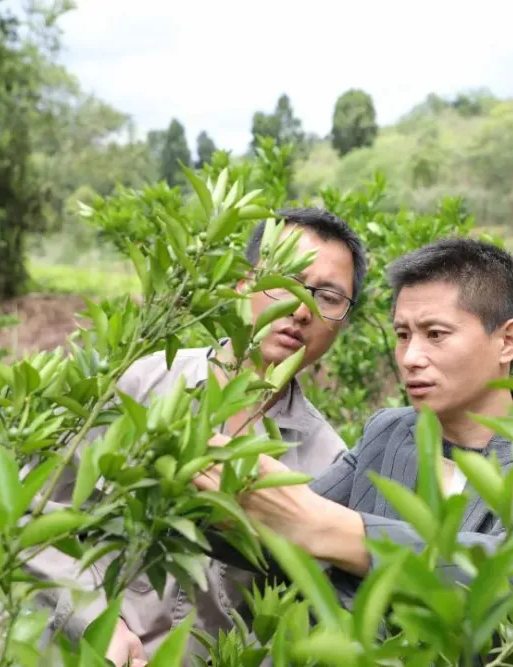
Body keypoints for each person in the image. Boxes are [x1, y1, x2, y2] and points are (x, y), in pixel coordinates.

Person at [24, 207, 368, 666]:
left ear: (344, 318)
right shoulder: (141, 383)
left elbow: (297, 615)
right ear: (245, 281)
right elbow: (34, 511)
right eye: (285, 278)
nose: (301, 309)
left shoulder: (328, 463)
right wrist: (93, 620)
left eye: (328, 296)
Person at [194, 237, 513, 606]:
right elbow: (285, 533)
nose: (410, 358)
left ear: (508, 341)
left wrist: (345, 535)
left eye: (435, 334)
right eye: (403, 335)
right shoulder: (388, 433)